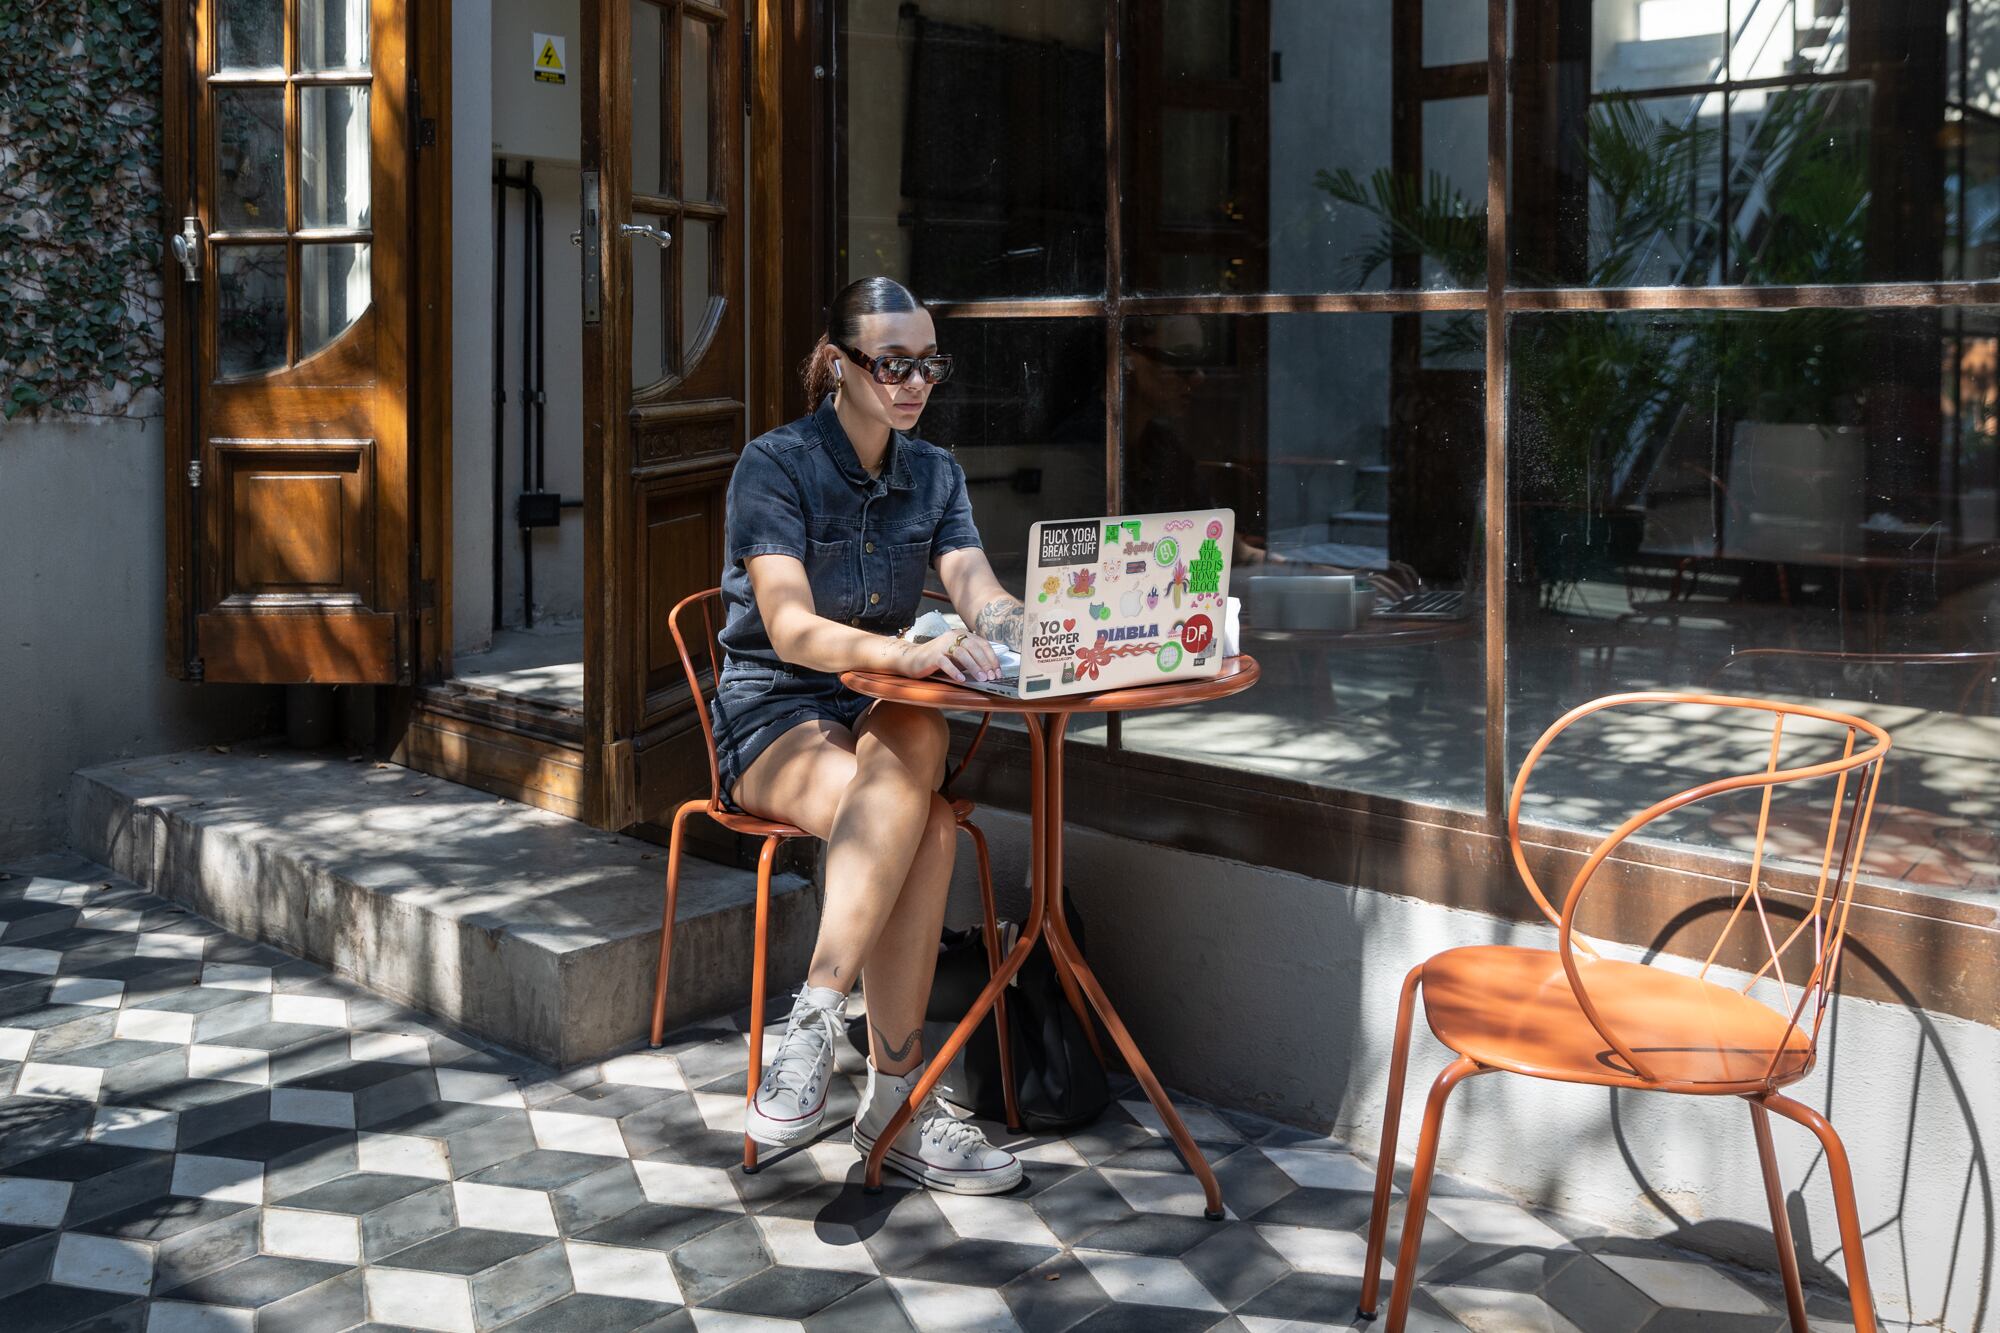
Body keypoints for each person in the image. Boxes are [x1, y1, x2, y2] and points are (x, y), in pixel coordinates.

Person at [711, 276, 1027, 1195]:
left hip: (877, 712)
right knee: (922, 822)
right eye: (893, 363)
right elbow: (789, 628)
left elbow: (977, 587)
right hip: (775, 712)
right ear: (838, 365)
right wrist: (907, 649)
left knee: (915, 739)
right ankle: (893, 1093)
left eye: (928, 363)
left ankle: (818, 1022)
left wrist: (1038, 629)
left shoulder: (935, 472)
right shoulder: (775, 465)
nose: (914, 382)